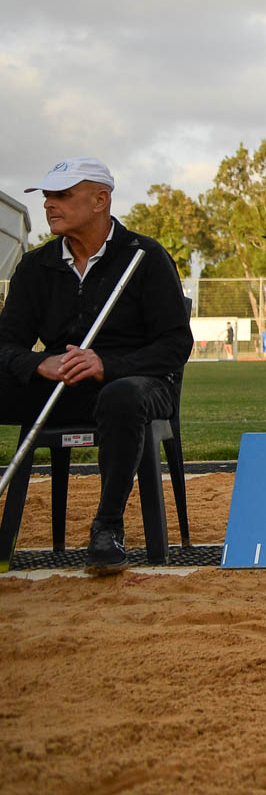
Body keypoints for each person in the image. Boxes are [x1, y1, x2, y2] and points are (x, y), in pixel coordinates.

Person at [0, 158, 191, 574]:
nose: (50, 204)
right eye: (47, 196)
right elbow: (6, 344)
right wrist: (39, 364)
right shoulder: (36, 267)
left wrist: (108, 364)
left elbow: (175, 344)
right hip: (60, 384)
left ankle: (107, 529)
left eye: (63, 195)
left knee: (123, 395)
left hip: (135, 386)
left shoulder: (146, 257)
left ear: (101, 199)